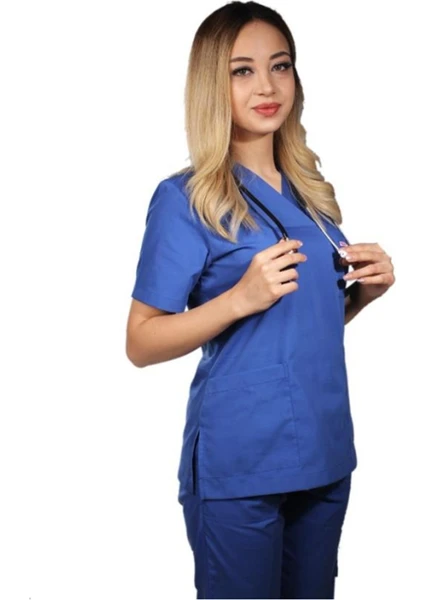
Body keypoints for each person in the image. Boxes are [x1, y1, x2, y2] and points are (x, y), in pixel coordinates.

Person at [125, 2, 395, 598]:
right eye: (242, 71)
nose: (267, 87)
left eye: (280, 66)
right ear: (211, 84)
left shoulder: (311, 195)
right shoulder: (186, 199)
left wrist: (362, 297)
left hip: (324, 450)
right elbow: (140, 341)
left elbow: (295, 326)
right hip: (241, 461)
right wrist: (237, 298)